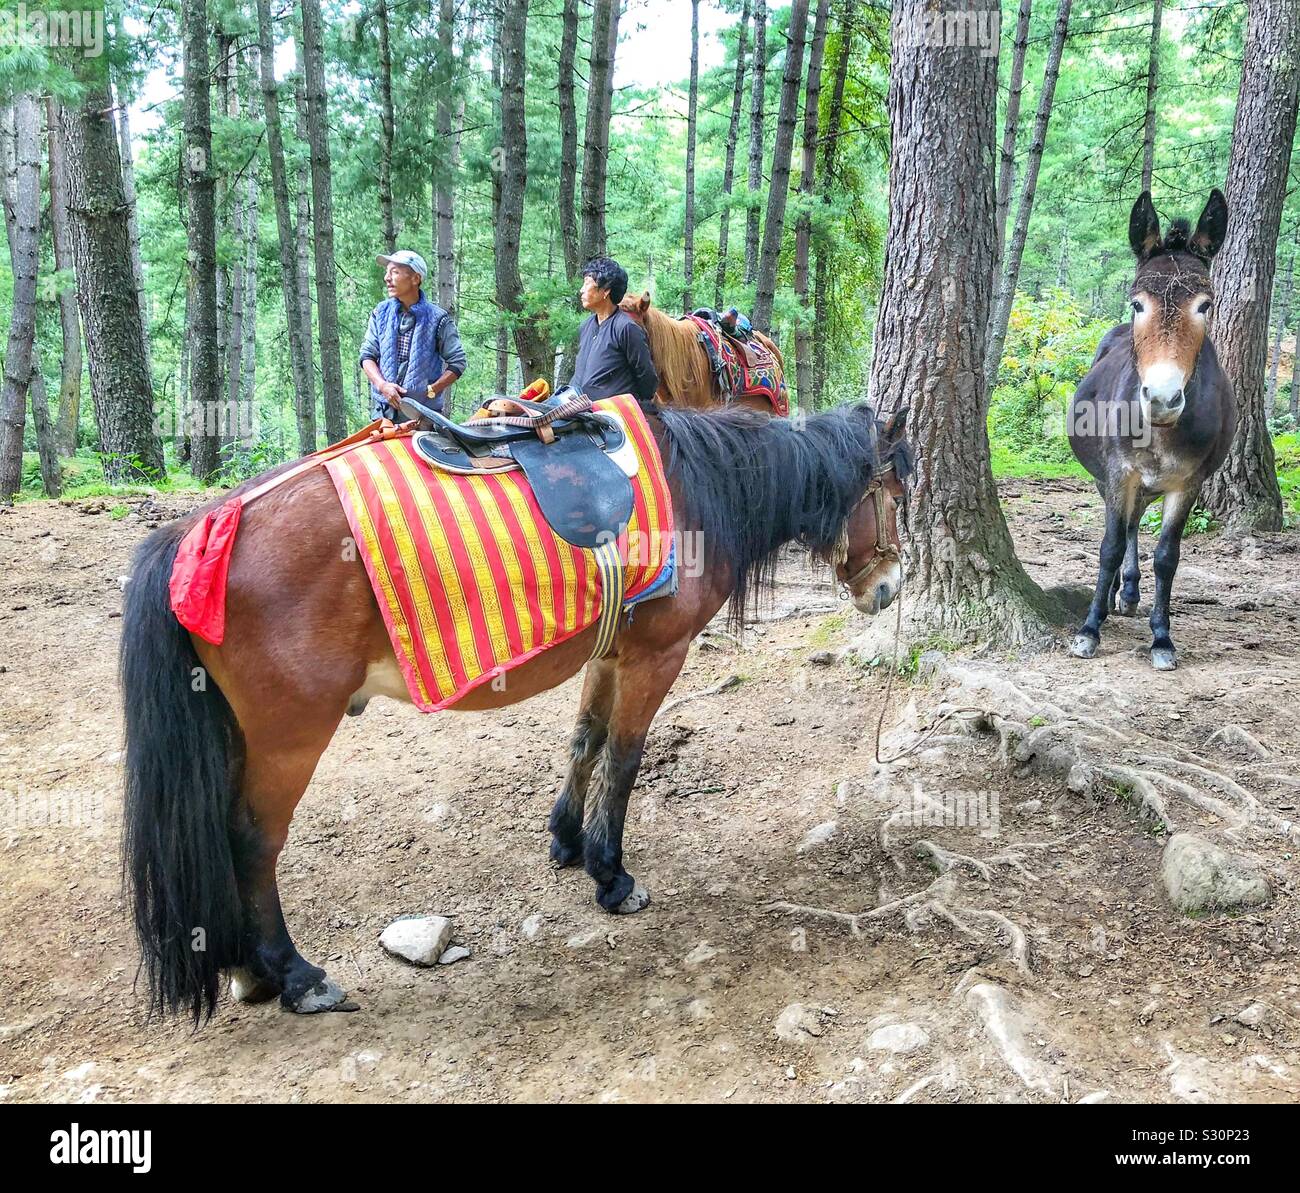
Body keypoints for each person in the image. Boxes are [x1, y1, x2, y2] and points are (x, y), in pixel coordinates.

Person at [360, 250, 467, 421]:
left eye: (394, 272)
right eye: (387, 272)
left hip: (422, 418)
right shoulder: (380, 313)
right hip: (383, 416)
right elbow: (367, 355)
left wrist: (431, 390)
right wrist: (382, 385)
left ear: (415, 279)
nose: (387, 278)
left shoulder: (438, 318)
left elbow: (458, 362)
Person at [570, 256, 659, 403]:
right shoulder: (586, 326)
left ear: (605, 291)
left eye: (587, 284)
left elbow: (647, 379)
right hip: (577, 407)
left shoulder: (626, 328)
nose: (581, 290)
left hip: (611, 414)